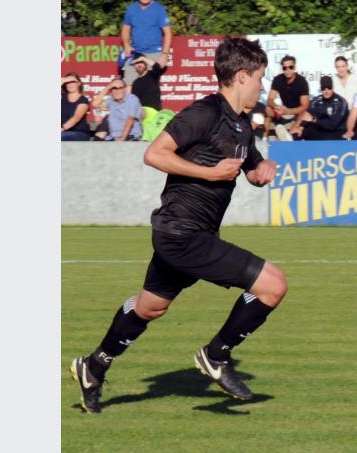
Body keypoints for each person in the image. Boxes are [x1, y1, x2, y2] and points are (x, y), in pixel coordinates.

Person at [70, 36, 285, 414]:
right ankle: (216, 355)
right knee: (273, 285)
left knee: (150, 308)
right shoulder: (203, 113)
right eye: (259, 78)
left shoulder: (241, 125)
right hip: (184, 234)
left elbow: (248, 169)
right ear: (240, 76)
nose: (261, 86)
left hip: (185, 234)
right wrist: (210, 171)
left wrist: (261, 171)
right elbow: (154, 154)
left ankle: (94, 365)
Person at [121, 0, 172, 90]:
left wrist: (165, 54)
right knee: (129, 83)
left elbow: (168, 32)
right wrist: (126, 44)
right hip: (135, 52)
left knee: (150, 85)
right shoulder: (131, 8)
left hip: (154, 53)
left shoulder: (159, 9)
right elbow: (126, 28)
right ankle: (129, 104)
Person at [288, 76, 348, 141]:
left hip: (336, 131)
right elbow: (307, 115)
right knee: (298, 132)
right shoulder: (316, 100)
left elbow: (332, 125)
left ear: (333, 88)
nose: (326, 91)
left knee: (329, 137)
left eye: (329, 88)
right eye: (323, 88)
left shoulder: (341, 102)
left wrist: (314, 119)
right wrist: (301, 127)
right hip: (320, 129)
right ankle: (287, 141)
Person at [265, 55, 309, 140]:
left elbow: (305, 106)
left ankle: (290, 135)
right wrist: (276, 106)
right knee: (268, 109)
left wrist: (288, 111)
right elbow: (270, 99)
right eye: (285, 68)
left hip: (296, 112)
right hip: (282, 111)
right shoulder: (278, 79)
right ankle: (267, 137)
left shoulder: (301, 81)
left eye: (290, 67)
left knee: (304, 114)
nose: (288, 70)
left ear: (294, 67)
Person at [61, 72, 91, 141]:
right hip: (64, 133)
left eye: (73, 82)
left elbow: (76, 118)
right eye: (68, 82)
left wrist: (62, 129)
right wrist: (63, 80)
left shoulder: (83, 100)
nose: (70, 84)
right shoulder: (62, 97)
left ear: (79, 83)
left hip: (79, 133)